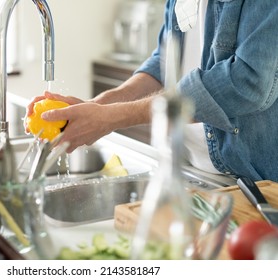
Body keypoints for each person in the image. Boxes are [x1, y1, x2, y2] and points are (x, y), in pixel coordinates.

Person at [25, 0, 278, 182]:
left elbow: (247, 81)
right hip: (191, 168)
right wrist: (101, 104)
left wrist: (112, 117)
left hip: (252, 181)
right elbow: (165, 61)